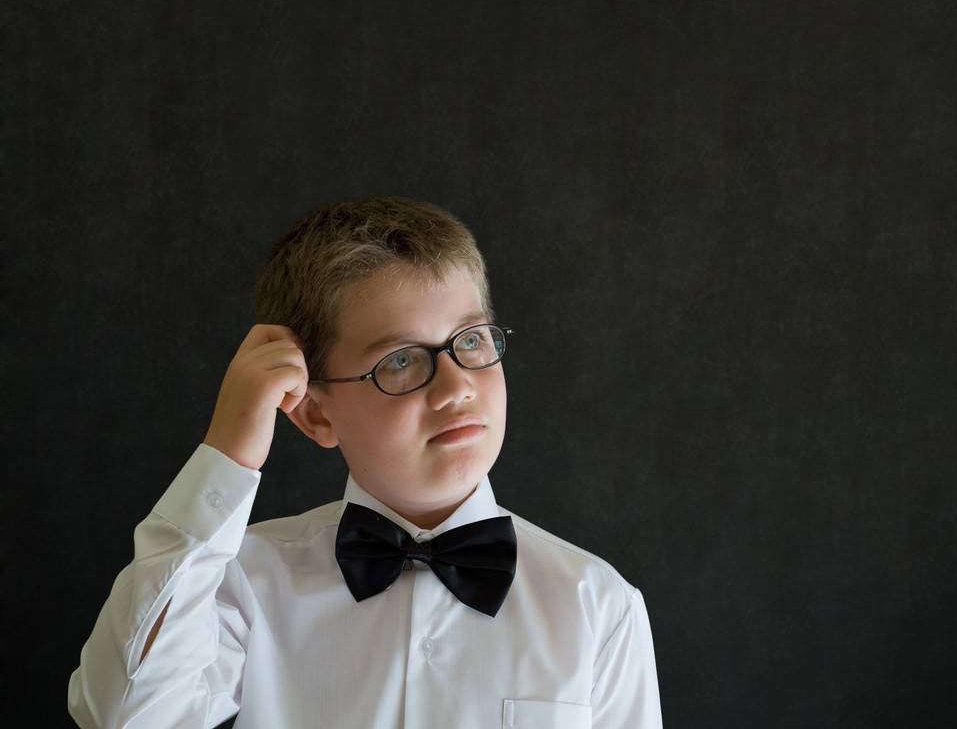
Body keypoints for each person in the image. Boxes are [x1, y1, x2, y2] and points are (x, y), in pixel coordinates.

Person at [68, 197, 662, 728]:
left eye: (472, 340)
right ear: (316, 416)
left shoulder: (598, 604)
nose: (455, 387)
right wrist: (228, 452)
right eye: (401, 360)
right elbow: (127, 716)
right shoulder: (242, 583)